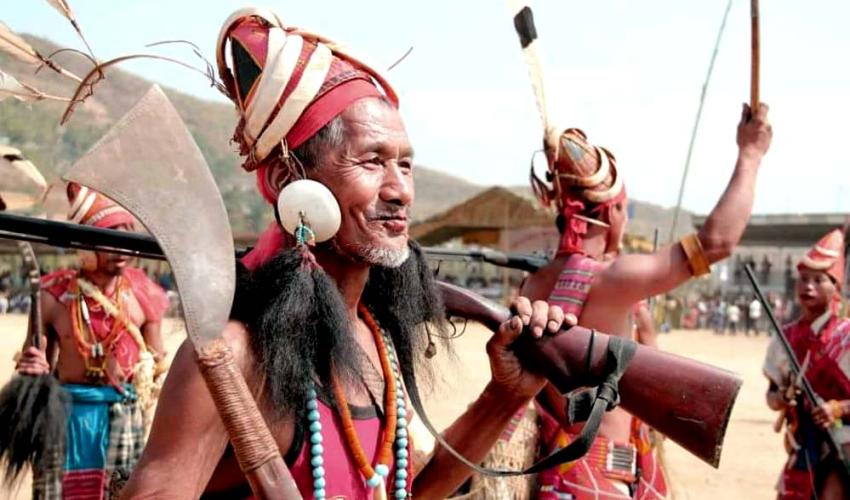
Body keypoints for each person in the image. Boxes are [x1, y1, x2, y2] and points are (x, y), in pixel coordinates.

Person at [122, 8, 570, 499]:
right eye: (372, 161)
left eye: (405, 164)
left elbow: (402, 492)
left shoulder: (374, 342)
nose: (400, 190)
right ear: (286, 180)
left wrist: (503, 398)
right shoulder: (235, 357)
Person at [518, 101, 772, 498]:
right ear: (614, 210)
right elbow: (717, 242)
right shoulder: (615, 279)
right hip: (605, 478)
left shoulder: (532, 284)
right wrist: (751, 154)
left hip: (560, 476)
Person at [12, 183, 169, 499]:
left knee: (121, 493)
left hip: (123, 416)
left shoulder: (146, 294)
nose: (122, 251)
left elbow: (158, 363)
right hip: (65, 415)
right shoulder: (52, 295)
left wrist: (149, 369)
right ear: (85, 247)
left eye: (128, 240)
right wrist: (34, 366)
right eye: (111, 240)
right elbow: (34, 361)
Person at [764, 228, 850, 499]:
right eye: (803, 279)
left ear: (835, 287)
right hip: (803, 447)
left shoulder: (846, 337)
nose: (808, 286)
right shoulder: (785, 338)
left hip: (844, 448)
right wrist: (782, 397)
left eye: (818, 279)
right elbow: (771, 396)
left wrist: (837, 408)